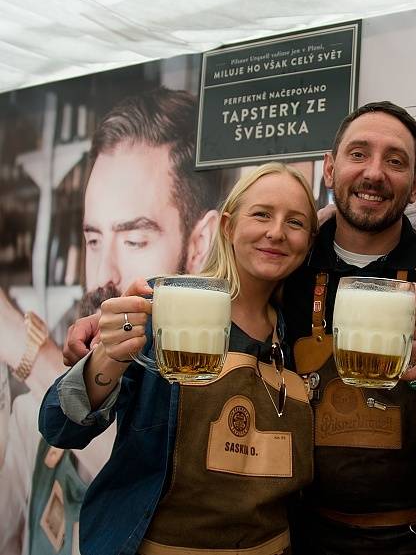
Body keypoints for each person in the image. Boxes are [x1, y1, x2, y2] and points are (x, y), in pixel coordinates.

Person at [39, 162, 318, 554]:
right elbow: (60, 427)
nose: (276, 232)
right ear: (227, 226)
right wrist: (108, 358)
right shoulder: (164, 302)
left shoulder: (300, 336)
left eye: (295, 222)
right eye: (261, 214)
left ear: (309, 241)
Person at [0, 87, 224, 555]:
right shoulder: (34, 416)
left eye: (135, 240)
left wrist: (25, 347)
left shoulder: (220, 389)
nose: (104, 276)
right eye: (95, 240)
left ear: (200, 243)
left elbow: (148, 460)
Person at [280, 101, 416, 554]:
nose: (374, 173)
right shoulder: (288, 271)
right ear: (330, 169)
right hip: (310, 537)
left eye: (394, 161)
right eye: (358, 154)